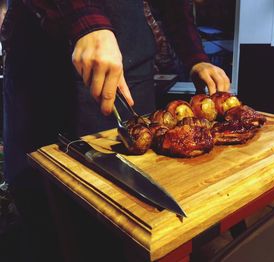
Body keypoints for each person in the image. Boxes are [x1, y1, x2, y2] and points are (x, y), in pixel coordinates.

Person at [1, 0, 230, 261]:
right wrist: (86, 21)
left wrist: (195, 57)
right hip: (44, 66)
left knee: (134, 221)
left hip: (129, 63)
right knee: (49, 221)